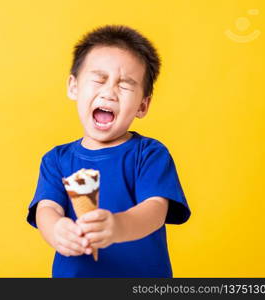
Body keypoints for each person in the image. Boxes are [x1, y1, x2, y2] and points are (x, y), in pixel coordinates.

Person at [26, 25, 191, 277]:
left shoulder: (149, 154)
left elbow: (156, 210)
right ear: (74, 87)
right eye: (99, 79)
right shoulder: (56, 160)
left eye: (125, 85)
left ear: (142, 105)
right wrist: (56, 230)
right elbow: (47, 208)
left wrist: (117, 226)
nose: (109, 92)